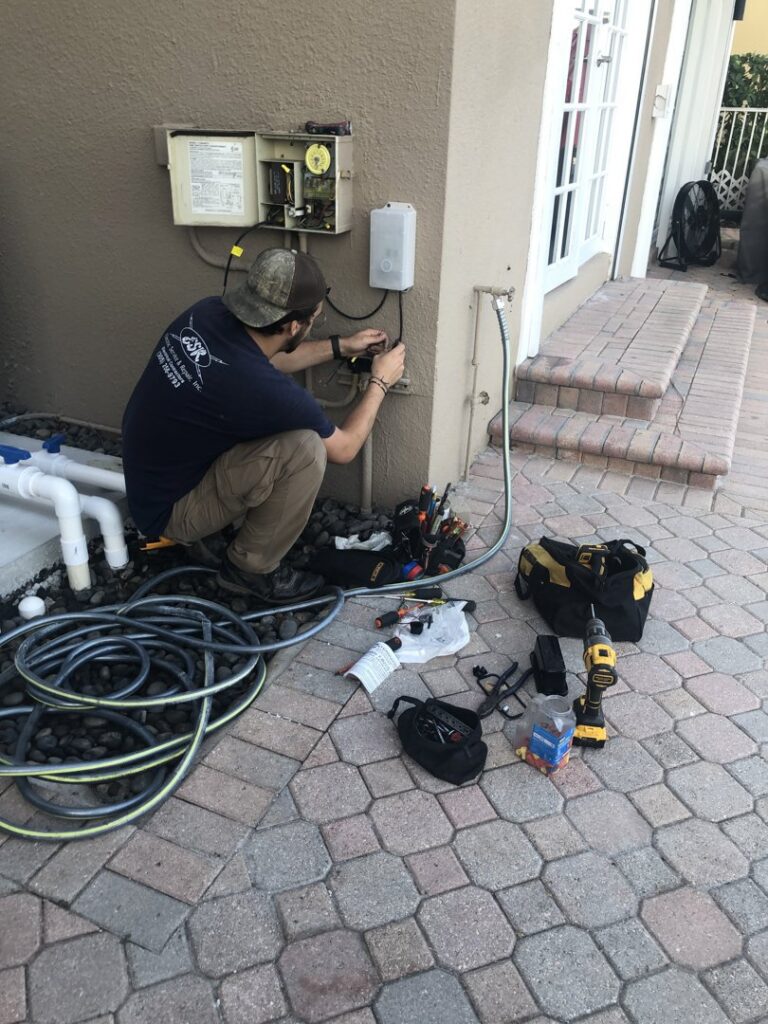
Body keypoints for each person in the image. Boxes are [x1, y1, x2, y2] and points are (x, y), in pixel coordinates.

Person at [122, 247, 406, 604]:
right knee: (304, 449)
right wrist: (381, 381)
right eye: (314, 319)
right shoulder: (259, 389)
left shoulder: (206, 313)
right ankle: (249, 570)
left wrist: (340, 346)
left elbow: (264, 361)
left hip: (150, 481)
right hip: (171, 512)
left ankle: (219, 533)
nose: (316, 321)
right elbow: (345, 448)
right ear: (292, 325)